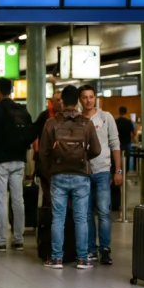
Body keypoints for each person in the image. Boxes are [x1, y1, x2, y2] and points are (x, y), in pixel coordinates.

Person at [39, 85, 102, 269]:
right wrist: (84, 158)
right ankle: (82, 258)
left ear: (62, 101)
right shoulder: (86, 123)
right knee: (81, 218)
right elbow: (96, 149)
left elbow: (43, 152)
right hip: (81, 175)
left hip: (58, 174)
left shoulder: (51, 123)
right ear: (78, 101)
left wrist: (51, 167)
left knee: (57, 217)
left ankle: (57, 258)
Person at [78, 85, 122, 265]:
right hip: (82, 172)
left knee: (104, 211)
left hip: (103, 170)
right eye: (85, 97)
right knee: (86, 213)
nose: (88, 100)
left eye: (91, 97)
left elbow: (115, 144)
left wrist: (118, 170)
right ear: (80, 100)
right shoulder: (77, 119)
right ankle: (90, 249)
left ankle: (105, 248)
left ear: (95, 98)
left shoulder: (106, 117)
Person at [0, 78, 27, 252]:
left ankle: (1, 240)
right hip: (18, 159)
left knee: (1, 200)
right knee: (18, 200)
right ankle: (18, 239)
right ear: (11, 90)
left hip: (0, 161)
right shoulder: (21, 109)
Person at [32, 92, 63, 208]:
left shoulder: (69, 117)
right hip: (45, 163)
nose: (60, 103)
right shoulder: (44, 117)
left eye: (62, 100)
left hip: (62, 162)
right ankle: (48, 219)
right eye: (57, 100)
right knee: (48, 193)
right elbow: (33, 132)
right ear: (51, 101)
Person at [115, 106, 135, 171]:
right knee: (127, 159)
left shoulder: (116, 122)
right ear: (126, 112)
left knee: (118, 159)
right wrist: (132, 138)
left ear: (119, 112)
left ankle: (118, 173)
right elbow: (134, 133)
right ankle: (125, 173)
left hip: (118, 144)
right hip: (127, 143)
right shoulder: (129, 122)